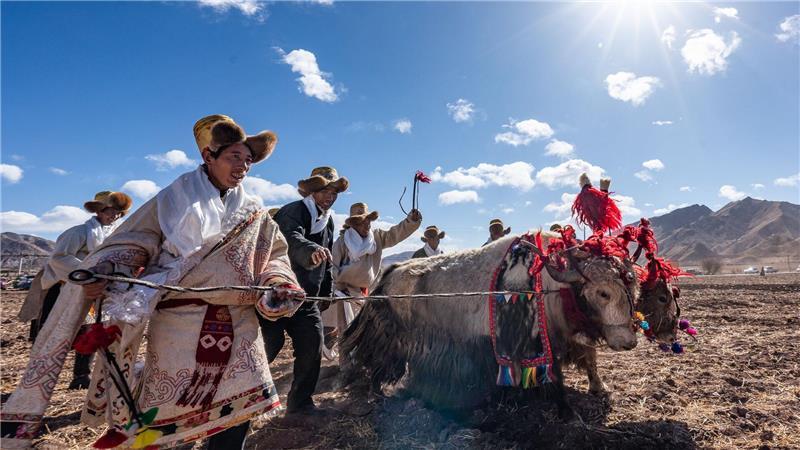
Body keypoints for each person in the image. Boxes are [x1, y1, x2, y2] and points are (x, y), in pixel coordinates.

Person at [1, 114, 304, 450]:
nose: (243, 167)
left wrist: (279, 280)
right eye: (235, 157)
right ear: (209, 156)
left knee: (237, 419)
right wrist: (104, 271)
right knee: (174, 419)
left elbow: (274, 254)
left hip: (240, 323)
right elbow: (131, 242)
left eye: (248, 160)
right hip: (180, 324)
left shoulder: (254, 212)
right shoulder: (172, 200)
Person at [17, 190, 132, 390]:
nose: (113, 215)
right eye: (110, 210)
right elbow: (59, 258)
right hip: (64, 288)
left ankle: (81, 376)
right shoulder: (78, 232)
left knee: (90, 331)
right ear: (99, 211)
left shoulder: (116, 235)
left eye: (117, 212)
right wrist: (88, 272)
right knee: (54, 332)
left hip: (94, 291)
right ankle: (37, 378)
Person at [260, 166, 349, 415]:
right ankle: (243, 398)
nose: (330, 196)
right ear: (312, 191)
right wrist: (311, 251)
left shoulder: (327, 219)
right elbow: (289, 239)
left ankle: (300, 404)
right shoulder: (293, 211)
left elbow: (328, 256)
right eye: (324, 191)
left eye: (334, 192)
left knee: (312, 345)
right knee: (269, 346)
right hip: (278, 293)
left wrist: (327, 291)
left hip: (306, 297)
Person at [327, 203, 421, 344]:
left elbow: (395, 234)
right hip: (344, 293)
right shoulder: (341, 243)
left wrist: (411, 221)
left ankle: (359, 361)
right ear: (353, 224)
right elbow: (332, 268)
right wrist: (336, 290)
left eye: (369, 220)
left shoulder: (376, 238)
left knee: (367, 330)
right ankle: (345, 362)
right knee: (346, 329)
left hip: (367, 292)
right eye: (362, 222)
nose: (367, 225)